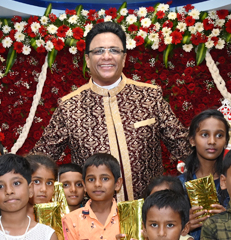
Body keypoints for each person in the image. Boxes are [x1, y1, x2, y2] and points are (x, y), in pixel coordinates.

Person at [31, 21, 191, 201]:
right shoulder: (70, 106)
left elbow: (185, 149)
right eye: (98, 51)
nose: (106, 56)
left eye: (114, 50)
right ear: (87, 60)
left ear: (124, 58)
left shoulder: (149, 97)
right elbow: (39, 160)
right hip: (93, 218)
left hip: (150, 214)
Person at [178, 109, 231, 240]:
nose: (212, 141)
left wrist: (229, 218)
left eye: (219, 135)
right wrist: (184, 225)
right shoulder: (179, 185)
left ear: (226, 141)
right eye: (205, 134)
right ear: (192, 140)